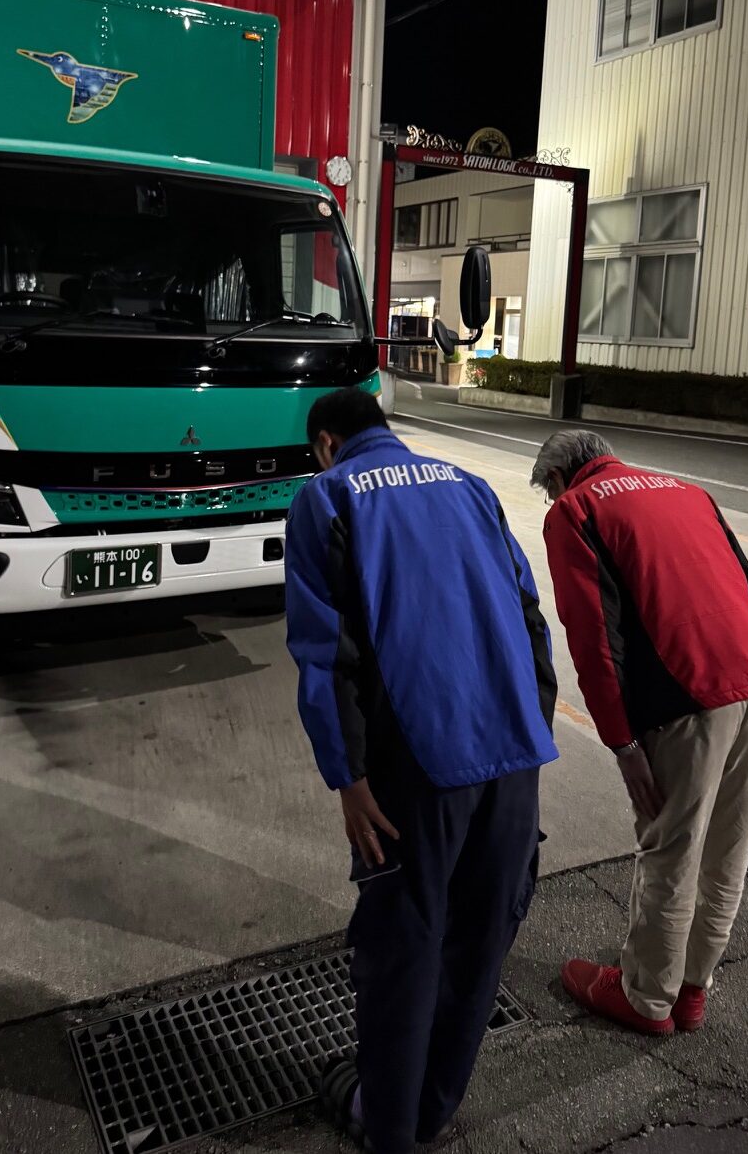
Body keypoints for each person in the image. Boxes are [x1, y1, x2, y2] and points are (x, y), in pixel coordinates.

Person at [285, 387, 558, 1154]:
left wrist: (348, 778)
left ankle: (388, 1128)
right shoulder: (469, 486)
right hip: (512, 756)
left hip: (418, 764)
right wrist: (527, 728)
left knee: (403, 951)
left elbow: (324, 656)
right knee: (477, 946)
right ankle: (433, 1110)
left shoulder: (327, 498)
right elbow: (530, 618)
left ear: (327, 443)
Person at [531, 430, 748, 1037]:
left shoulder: (577, 510)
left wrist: (622, 743)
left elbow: (593, 636)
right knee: (728, 849)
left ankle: (646, 998)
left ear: (559, 478)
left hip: (684, 698)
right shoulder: (689, 491)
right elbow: (747, 586)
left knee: (670, 850)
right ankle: (693, 989)